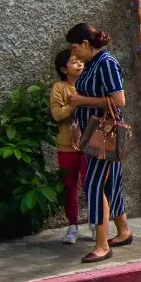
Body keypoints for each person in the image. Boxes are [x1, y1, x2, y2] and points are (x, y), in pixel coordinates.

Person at [64, 23, 133, 263]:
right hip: (93, 132)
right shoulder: (93, 64)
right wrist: (76, 126)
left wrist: (81, 99)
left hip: (105, 133)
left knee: (94, 185)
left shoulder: (106, 62)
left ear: (85, 43)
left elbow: (119, 100)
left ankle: (102, 244)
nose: (73, 54)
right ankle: (123, 231)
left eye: (74, 48)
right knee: (111, 183)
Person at [49, 49, 87, 244]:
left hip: (89, 144)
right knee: (70, 187)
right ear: (64, 69)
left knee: (90, 185)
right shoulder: (59, 88)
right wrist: (76, 104)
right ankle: (72, 227)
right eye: (74, 62)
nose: (79, 64)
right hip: (66, 145)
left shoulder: (88, 83)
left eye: (80, 61)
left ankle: (96, 225)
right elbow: (57, 114)